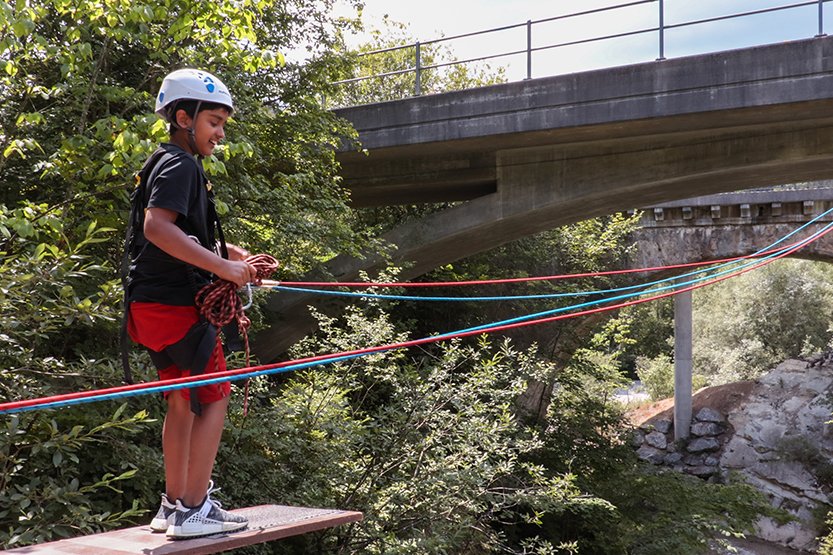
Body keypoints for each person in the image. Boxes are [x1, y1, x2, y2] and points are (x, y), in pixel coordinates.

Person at [123, 68, 255, 539]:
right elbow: (157, 229)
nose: (220, 133)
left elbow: (173, 240)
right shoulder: (181, 165)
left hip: (150, 307)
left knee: (181, 400)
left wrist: (228, 256)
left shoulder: (161, 161)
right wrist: (222, 271)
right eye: (214, 122)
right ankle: (193, 509)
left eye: (223, 125)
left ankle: (173, 505)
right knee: (214, 398)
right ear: (184, 117)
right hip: (178, 308)